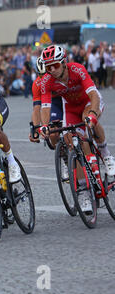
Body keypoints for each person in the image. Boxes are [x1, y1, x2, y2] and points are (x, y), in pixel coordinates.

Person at [39, 44, 115, 211]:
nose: (52, 69)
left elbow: (93, 94)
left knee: (88, 120)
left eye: (55, 65)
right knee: (71, 142)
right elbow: (45, 107)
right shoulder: (46, 81)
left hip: (89, 102)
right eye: (48, 66)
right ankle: (83, 192)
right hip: (71, 108)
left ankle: (107, 155)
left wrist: (93, 114)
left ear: (64, 62)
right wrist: (44, 126)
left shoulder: (77, 69)